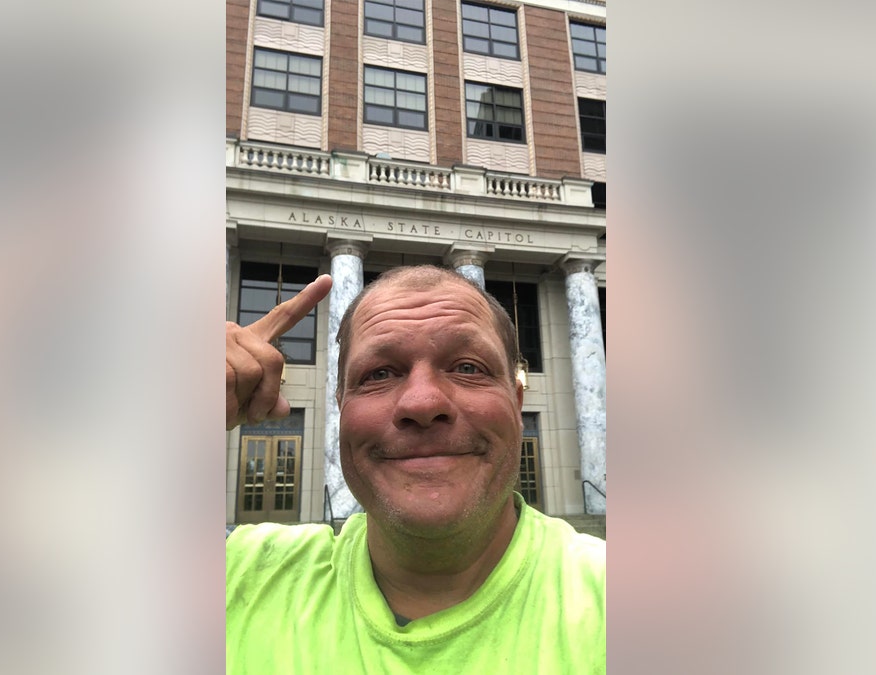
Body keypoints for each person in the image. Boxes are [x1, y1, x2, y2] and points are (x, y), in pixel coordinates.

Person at [225, 266, 605, 674]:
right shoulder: (241, 575)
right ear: (341, 408)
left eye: (468, 367)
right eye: (379, 373)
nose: (422, 403)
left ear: (516, 401)